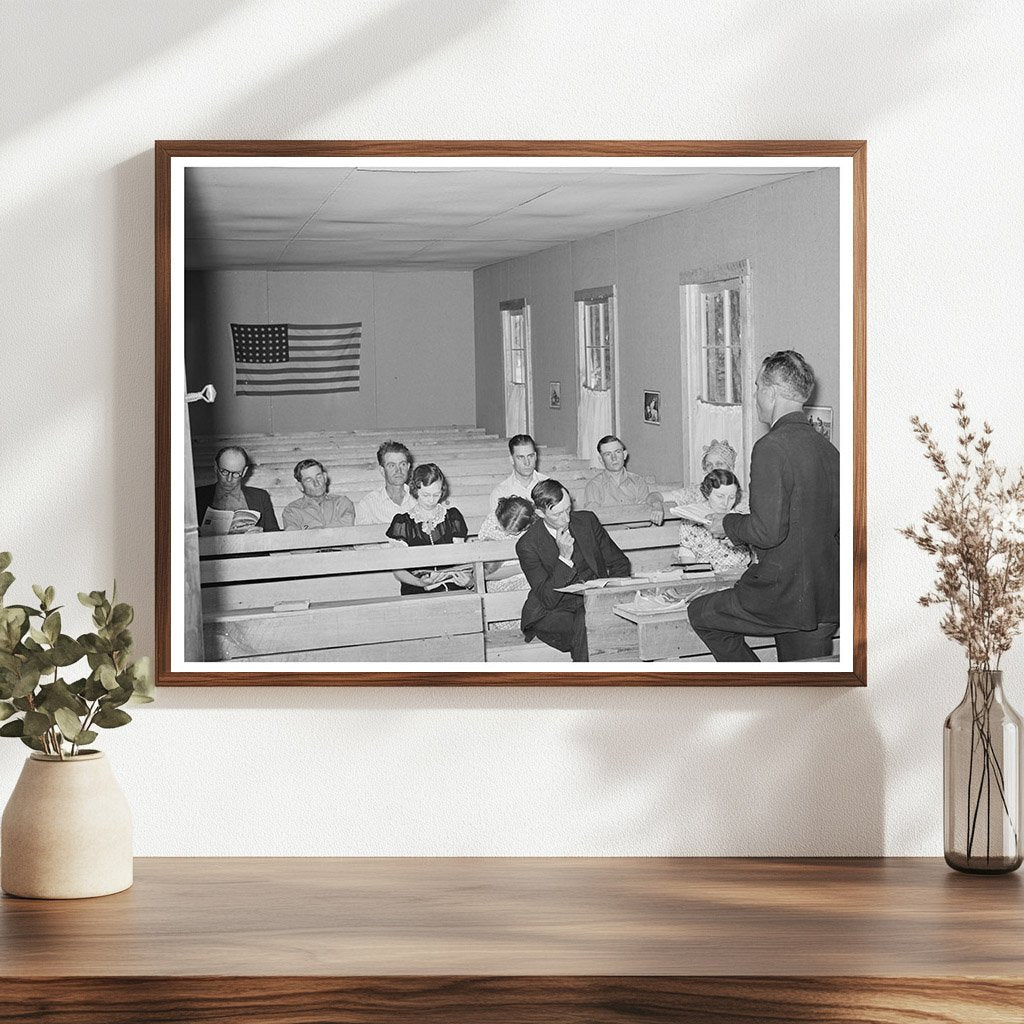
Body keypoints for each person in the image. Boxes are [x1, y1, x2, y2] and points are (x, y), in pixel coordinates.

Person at [687, 351, 840, 661]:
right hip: (825, 598)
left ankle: (755, 685)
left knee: (701, 613)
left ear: (770, 392)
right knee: (803, 697)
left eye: (757, 386)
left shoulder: (771, 446)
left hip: (781, 596)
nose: (755, 395)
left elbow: (766, 531)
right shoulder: (828, 448)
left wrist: (726, 523)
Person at [516, 479, 631, 662]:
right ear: (540, 513)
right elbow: (547, 598)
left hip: (594, 601)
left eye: (568, 509)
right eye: (558, 514)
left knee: (587, 622)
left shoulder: (587, 521)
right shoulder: (527, 545)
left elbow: (620, 563)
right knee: (588, 625)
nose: (567, 519)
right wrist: (564, 559)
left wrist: (609, 594)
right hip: (552, 611)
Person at [386, 464, 471, 595]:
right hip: (417, 586)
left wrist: (466, 577)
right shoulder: (403, 523)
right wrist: (420, 582)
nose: (431, 500)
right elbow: (398, 570)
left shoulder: (452, 517)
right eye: (426, 495)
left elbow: (460, 558)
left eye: (436, 494)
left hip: (451, 584)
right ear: (415, 490)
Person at [676, 469, 751, 573]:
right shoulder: (691, 519)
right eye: (720, 496)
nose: (725, 503)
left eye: (731, 497)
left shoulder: (739, 519)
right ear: (707, 493)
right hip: (706, 575)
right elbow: (687, 551)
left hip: (738, 573)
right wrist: (694, 576)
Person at [580, 434, 665, 525]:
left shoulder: (638, 482)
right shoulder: (594, 486)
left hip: (638, 533)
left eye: (617, 452)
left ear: (624, 455)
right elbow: (592, 521)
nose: (614, 458)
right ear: (601, 459)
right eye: (608, 454)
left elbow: (645, 519)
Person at [195, 446, 280, 535]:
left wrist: (260, 537)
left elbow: (274, 535)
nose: (229, 479)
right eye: (224, 471)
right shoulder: (197, 496)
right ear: (216, 467)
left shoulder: (260, 497)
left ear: (244, 472)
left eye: (236, 473)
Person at [477, 495, 536, 593]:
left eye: (513, 532)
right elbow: (486, 557)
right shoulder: (492, 521)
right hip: (495, 576)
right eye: (503, 528)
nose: (506, 533)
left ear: (526, 527)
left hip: (520, 574)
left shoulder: (531, 531)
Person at [662, 439, 741, 508]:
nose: (713, 469)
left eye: (719, 464)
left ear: (731, 468)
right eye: (709, 465)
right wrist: (656, 505)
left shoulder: (742, 499)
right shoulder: (695, 493)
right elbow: (657, 496)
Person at [281, 459, 355, 531]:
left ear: (325, 477)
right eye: (309, 480)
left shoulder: (341, 502)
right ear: (300, 486)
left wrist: (311, 532)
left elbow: (346, 531)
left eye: (319, 477)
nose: (316, 483)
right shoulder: (292, 511)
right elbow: (294, 539)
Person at [355, 440, 416, 525]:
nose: (398, 470)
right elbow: (363, 536)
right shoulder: (368, 505)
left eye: (402, 464)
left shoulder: (421, 498)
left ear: (408, 467)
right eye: (392, 465)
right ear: (382, 471)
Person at [487, 434, 548, 512]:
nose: (527, 462)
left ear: (535, 456)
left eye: (530, 456)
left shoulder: (549, 486)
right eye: (521, 457)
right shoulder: (501, 492)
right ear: (512, 459)